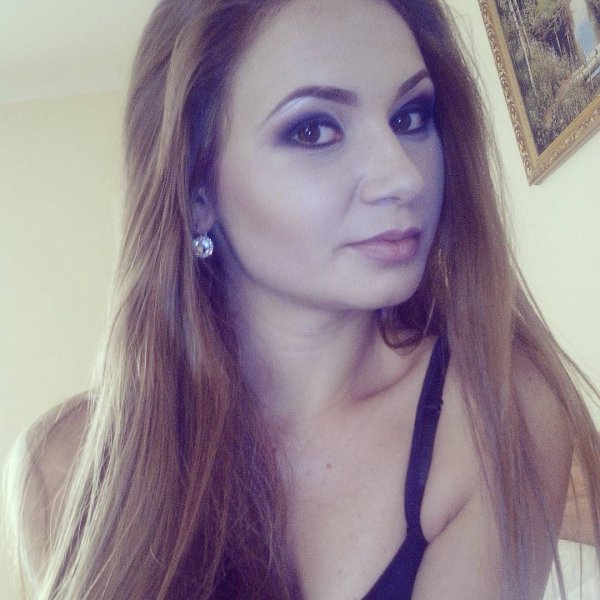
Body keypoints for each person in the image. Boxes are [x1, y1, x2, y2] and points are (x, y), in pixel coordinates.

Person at [3, 0, 600, 598]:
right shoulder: (60, 467)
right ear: (198, 193)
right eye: (313, 130)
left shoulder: (498, 415)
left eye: (410, 116)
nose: (404, 176)